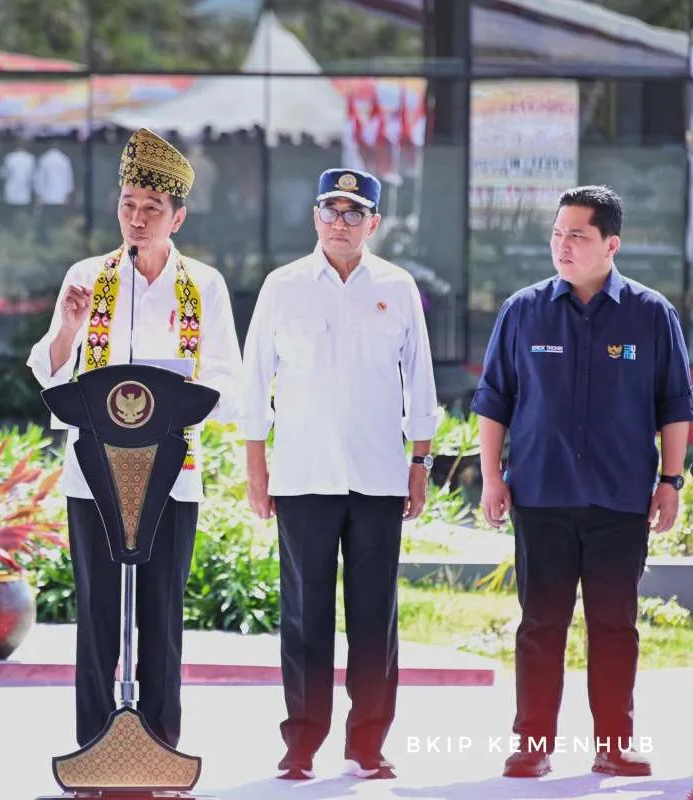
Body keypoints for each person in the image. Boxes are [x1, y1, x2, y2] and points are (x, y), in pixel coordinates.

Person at [26, 127, 244, 749]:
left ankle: (160, 747)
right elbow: (50, 371)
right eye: (128, 206)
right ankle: (95, 747)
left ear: (179, 215)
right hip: (93, 475)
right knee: (96, 615)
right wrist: (68, 328)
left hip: (172, 476)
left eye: (152, 209)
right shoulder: (88, 276)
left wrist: (176, 410)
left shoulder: (202, 286)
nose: (137, 219)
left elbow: (228, 378)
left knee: (161, 617)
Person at [472, 185, 692, 779]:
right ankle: (532, 745)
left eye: (578, 235)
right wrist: (492, 478)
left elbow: (675, 404)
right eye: (557, 233)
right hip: (540, 498)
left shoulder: (650, 314)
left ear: (610, 244)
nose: (562, 246)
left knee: (615, 625)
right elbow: (494, 401)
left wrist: (671, 480)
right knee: (540, 623)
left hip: (620, 501)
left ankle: (615, 743)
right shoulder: (523, 310)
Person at [242, 168, 440, 781]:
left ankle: (368, 744)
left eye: (354, 212)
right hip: (303, 475)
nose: (340, 221)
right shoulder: (283, 286)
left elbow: (422, 385)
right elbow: (253, 383)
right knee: (304, 614)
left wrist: (420, 465)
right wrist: (257, 471)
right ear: (314, 217)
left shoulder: (399, 287)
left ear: (374, 223)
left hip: (380, 475)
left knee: (374, 614)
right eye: (330, 209)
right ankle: (300, 742)